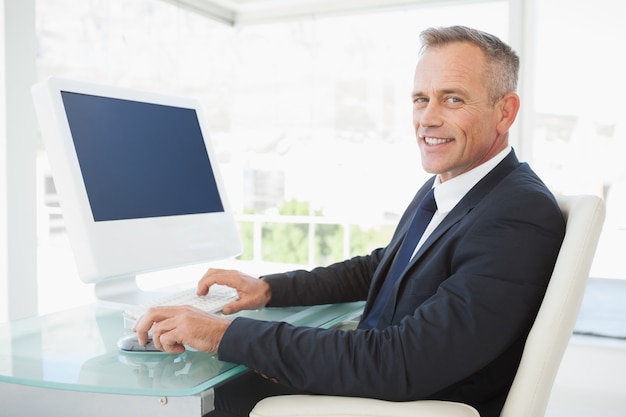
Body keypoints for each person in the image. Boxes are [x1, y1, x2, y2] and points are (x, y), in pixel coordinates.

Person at [134, 25, 565, 417]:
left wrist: (226, 334)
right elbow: (385, 266)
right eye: (421, 99)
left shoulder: (518, 214)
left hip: (402, 404)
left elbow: (403, 362)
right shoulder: (455, 185)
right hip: (379, 387)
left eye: (452, 99)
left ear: (505, 112)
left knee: (189, 401)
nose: (428, 117)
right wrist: (268, 289)